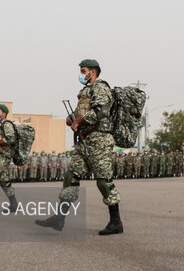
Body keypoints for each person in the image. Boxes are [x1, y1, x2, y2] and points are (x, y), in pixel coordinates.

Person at [35, 59, 122, 235]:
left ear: (93, 72)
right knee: (71, 175)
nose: (81, 74)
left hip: (99, 140)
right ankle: (59, 218)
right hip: (84, 140)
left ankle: (116, 222)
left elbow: (101, 111)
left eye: (83, 71)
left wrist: (79, 121)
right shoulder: (85, 91)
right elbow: (81, 113)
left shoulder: (101, 87)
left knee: (103, 180)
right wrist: (72, 118)